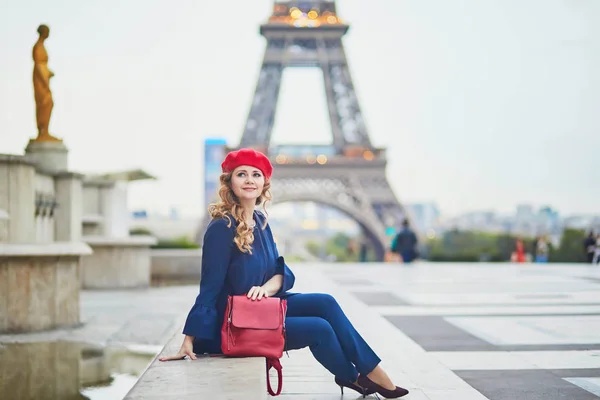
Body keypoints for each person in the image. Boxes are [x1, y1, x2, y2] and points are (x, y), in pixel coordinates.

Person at [159, 148, 409, 398]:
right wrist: (189, 337)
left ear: (264, 183)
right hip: (235, 322)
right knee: (319, 328)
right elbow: (209, 287)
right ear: (229, 181)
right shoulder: (222, 227)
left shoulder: (261, 223)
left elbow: (280, 271)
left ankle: (372, 371)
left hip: (262, 304)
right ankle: (356, 377)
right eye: (241, 174)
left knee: (326, 302)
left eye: (256, 175)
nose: (249, 180)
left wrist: (265, 289)